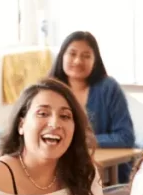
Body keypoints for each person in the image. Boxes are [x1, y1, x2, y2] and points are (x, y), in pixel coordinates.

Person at [49, 31, 135, 180]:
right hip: (58, 168)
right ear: (62, 56)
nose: (77, 61)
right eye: (72, 54)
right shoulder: (48, 89)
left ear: (95, 61)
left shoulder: (108, 88)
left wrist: (82, 140)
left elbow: (125, 137)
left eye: (86, 56)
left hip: (105, 173)